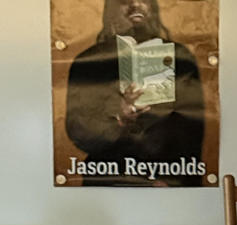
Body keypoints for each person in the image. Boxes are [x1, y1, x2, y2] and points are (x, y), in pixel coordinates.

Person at [65, 0, 204, 186]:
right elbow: (78, 129)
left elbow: (193, 125)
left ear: (153, 6)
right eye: (124, 0)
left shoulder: (179, 57)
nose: (136, 5)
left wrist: (174, 178)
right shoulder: (88, 61)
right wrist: (118, 116)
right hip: (108, 176)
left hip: (166, 175)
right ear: (111, 9)